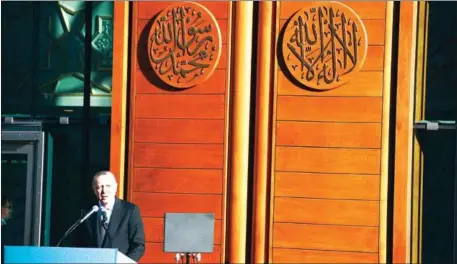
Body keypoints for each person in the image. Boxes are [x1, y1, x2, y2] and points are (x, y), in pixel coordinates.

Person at [76, 171, 145, 261]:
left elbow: (138, 245)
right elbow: (78, 243)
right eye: (100, 187)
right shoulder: (86, 212)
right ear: (94, 189)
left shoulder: (130, 211)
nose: (104, 191)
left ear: (115, 187)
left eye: (108, 186)